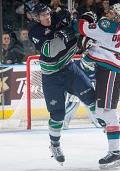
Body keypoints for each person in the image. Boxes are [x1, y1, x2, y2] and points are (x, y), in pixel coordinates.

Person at [73, 3, 120, 169]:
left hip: (111, 72)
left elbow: (79, 26)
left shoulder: (106, 27)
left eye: (111, 13)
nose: (107, 13)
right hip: (110, 70)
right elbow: (102, 47)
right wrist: (90, 52)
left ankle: (114, 154)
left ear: (117, 18)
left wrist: (85, 19)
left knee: (106, 112)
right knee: (100, 111)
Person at [28, 3, 96, 165]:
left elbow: (79, 27)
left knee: (93, 100)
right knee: (58, 114)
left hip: (70, 68)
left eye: (47, 13)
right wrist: (68, 34)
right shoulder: (35, 32)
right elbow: (50, 50)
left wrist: (84, 21)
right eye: (42, 16)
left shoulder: (59, 17)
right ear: (37, 18)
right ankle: (55, 144)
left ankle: (112, 131)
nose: (47, 17)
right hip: (51, 76)